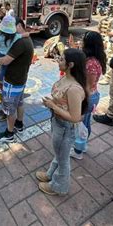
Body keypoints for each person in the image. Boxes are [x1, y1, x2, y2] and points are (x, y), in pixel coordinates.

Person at [35, 49, 88, 196]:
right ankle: (51, 174)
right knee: (59, 154)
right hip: (58, 123)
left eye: (61, 59)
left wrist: (53, 106)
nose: (58, 61)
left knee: (63, 160)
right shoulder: (65, 78)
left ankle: (58, 186)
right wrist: (53, 104)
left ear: (70, 65)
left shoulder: (74, 89)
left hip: (66, 128)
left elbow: (75, 117)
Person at [0, 17, 34, 142]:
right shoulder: (26, 39)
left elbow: (5, 60)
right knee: (20, 103)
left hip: (13, 81)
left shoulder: (19, 42)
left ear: (19, 26)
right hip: (21, 79)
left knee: (10, 109)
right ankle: (19, 125)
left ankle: (9, 134)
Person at [70, 31, 106, 160]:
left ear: (89, 44)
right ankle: (83, 146)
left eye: (83, 40)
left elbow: (88, 86)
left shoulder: (91, 63)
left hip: (87, 97)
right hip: (90, 96)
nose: (81, 42)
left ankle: (78, 151)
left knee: (81, 126)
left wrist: (79, 99)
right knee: (85, 124)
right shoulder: (94, 58)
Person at [0, 15, 24, 92]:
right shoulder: (15, 36)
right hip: (7, 55)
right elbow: (23, 35)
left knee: (1, 68)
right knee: (3, 69)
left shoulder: (0, 36)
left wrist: (0, 44)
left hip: (0, 53)